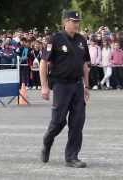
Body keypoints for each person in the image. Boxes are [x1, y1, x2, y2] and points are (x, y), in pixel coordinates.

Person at [39, 10, 91, 168]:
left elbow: (84, 65)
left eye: (77, 21)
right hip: (61, 86)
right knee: (58, 122)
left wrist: (86, 85)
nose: (76, 24)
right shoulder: (55, 39)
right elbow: (43, 63)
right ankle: (47, 141)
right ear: (65, 22)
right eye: (73, 21)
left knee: (77, 122)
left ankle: (72, 157)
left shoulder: (82, 40)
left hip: (77, 86)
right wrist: (45, 87)